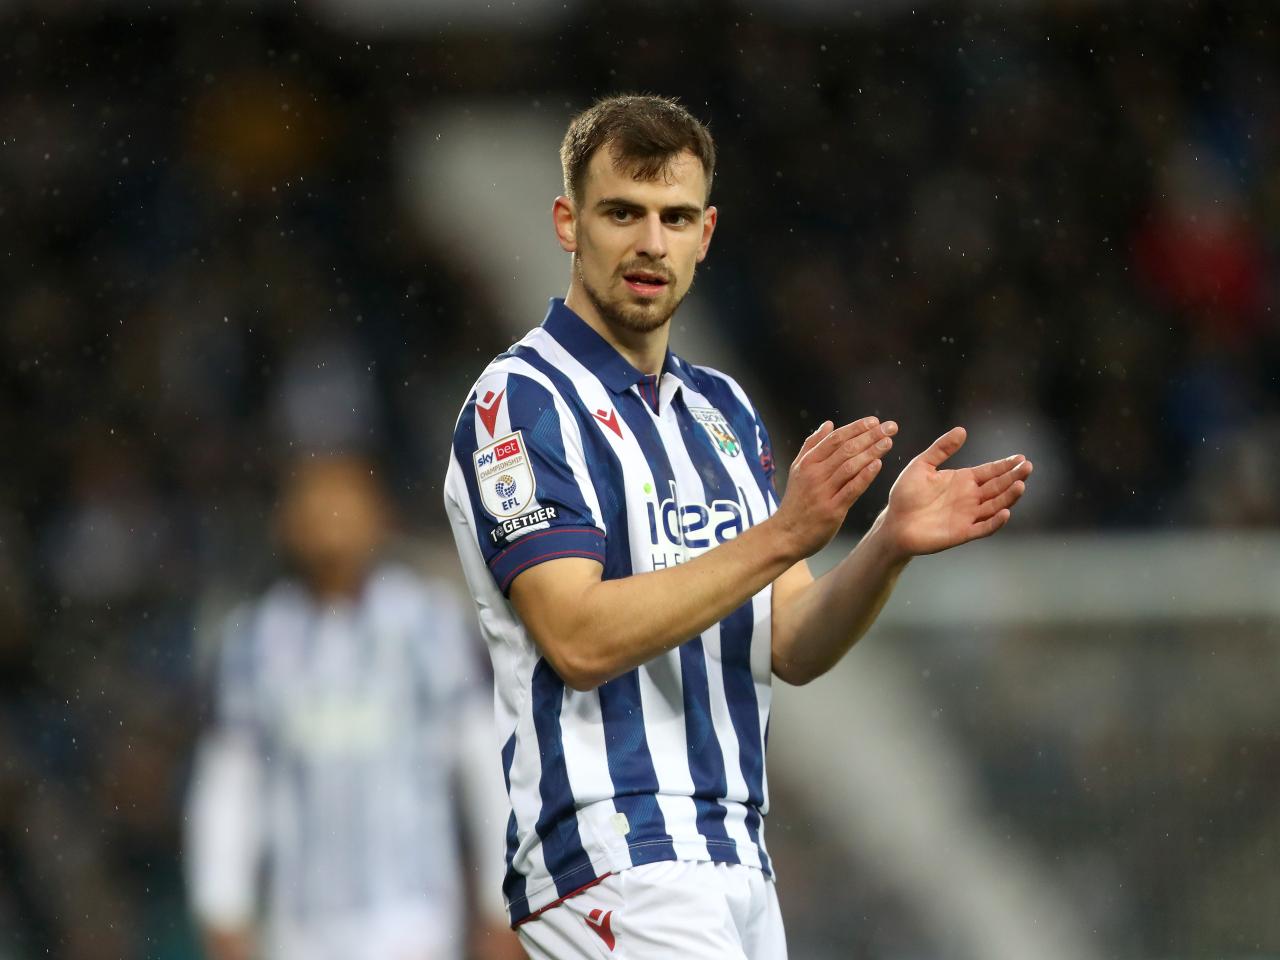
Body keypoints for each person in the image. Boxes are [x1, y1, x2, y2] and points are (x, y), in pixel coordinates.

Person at [442, 94, 1033, 959]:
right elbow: (576, 638)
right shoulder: (521, 402)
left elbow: (788, 639)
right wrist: (782, 535)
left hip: (738, 860)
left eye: (675, 217)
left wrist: (885, 546)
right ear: (569, 223)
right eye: (623, 213)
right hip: (614, 854)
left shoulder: (722, 410)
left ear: (706, 233)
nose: (651, 243)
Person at [185, 455, 524, 960]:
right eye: (313, 500)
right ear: (285, 522)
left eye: (344, 498)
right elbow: (231, 784)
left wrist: (504, 903)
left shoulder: (430, 624)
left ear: (380, 516)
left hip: (416, 917)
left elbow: (485, 767)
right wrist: (222, 907)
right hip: (299, 926)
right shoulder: (254, 640)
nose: (329, 515)